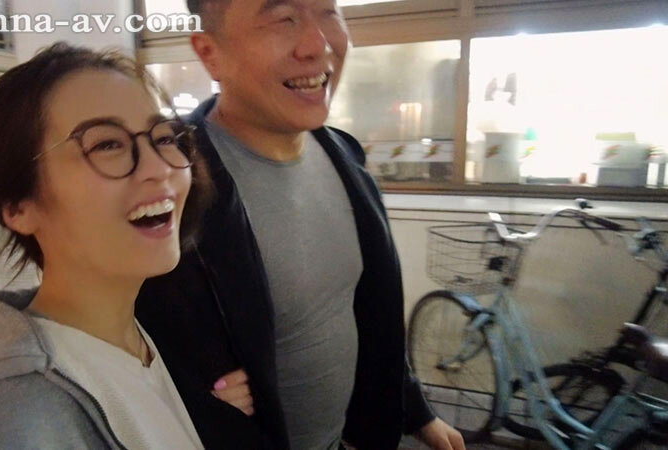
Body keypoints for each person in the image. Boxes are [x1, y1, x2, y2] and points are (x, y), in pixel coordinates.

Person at [135, 1, 468, 449]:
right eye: (283, 18)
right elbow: (120, 338)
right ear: (210, 53)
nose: (318, 44)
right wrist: (188, 400)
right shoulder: (169, 187)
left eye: (329, 12)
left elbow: (365, 313)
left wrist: (416, 410)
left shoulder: (343, 156)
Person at [0, 43, 224, 449]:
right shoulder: (10, 421)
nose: (160, 167)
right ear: (18, 207)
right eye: (106, 144)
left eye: (164, 137)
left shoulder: (126, 338)